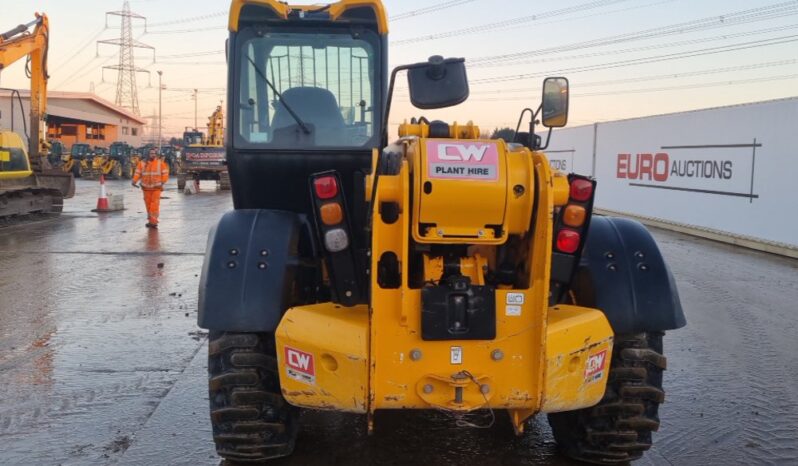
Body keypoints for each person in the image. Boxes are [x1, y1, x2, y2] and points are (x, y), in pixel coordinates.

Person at [132, 147, 169, 228]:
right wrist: (134, 181)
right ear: (147, 154)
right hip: (146, 188)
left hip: (156, 188)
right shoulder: (142, 163)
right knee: (148, 205)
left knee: (154, 205)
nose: (153, 155)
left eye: (154, 154)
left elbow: (165, 173)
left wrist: (163, 182)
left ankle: (153, 222)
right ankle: (151, 221)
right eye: (151, 154)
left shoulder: (160, 163)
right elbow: (137, 173)